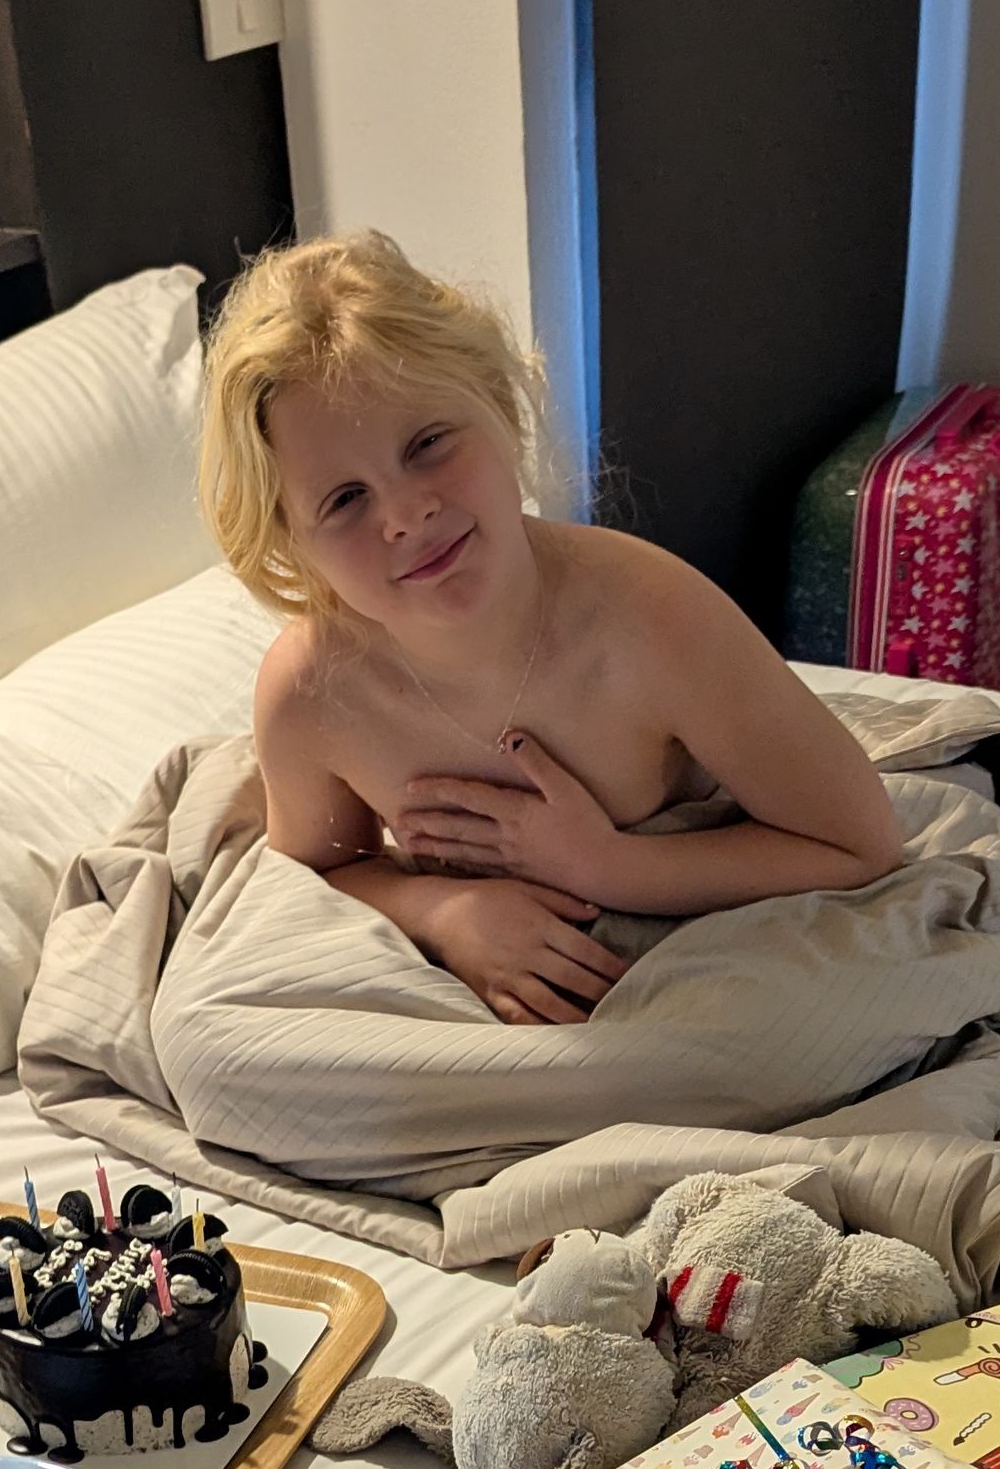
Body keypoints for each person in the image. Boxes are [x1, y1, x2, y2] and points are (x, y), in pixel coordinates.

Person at [198, 230, 901, 1027]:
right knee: (207, 1038)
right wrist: (446, 914)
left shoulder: (652, 618)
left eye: (428, 444)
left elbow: (863, 841)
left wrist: (607, 865)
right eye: (345, 500)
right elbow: (319, 875)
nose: (407, 513)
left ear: (499, 409)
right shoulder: (312, 694)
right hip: (493, 970)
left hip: (677, 919)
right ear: (293, 544)